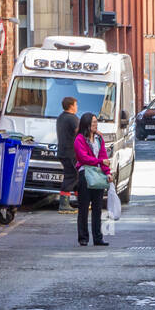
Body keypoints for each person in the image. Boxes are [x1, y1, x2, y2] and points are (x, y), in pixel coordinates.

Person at [73, 112, 111, 246]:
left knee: (98, 208)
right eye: (93, 123)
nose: (96, 125)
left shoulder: (99, 138)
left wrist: (108, 173)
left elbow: (103, 155)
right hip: (85, 175)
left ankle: (98, 237)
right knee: (83, 208)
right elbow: (83, 158)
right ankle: (83, 238)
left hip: (98, 176)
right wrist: (100, 162)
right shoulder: (79, 139)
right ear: (86, 125)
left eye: (96, 122)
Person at [56, 97, 79, 214]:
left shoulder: (61, 117)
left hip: (62, 151)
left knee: (77, 176)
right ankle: (64, 204)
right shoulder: (72, 118)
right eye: (76, 105)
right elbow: (80, 133)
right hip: (71, 152)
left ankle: (80, 201)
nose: (77, 107)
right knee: (73, 175)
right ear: (71, 106)